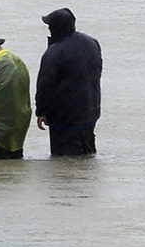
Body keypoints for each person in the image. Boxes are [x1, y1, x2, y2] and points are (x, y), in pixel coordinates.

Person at [36, 8, 103, 156]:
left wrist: (41, 112)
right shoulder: (92, 43)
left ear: (56, 27)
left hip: (65, 118)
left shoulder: (54, 52)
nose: (48, 28)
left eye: (50, 25)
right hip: (91, 110)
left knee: (64, 161)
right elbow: (98, 71)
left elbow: (45, 86)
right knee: (87, 155)